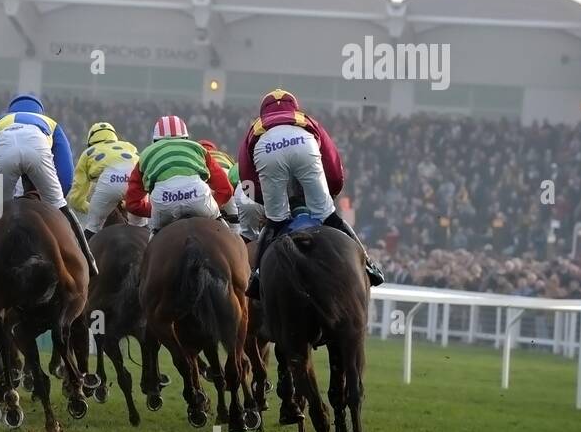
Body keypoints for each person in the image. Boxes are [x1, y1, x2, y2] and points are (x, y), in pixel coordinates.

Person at [239, 88, 385, 299]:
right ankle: (368, 265)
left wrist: (266, 203)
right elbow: (332, 161)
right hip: (303, 144)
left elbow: (246, 176)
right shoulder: (305, 119)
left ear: (263, 111)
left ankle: (258, 277)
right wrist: (330, 194)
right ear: (294, 106)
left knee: (274, 222)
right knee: (330, 216)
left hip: (267, 150)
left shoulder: (256, 126)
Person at [0, 93, 97, 277]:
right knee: (62, 206)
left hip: (4, 154)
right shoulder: (50, 122)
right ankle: (89, 262)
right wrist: (57, 199)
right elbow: (66, 172)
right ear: (39, 111)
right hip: (36, 150)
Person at [124, 116, 233, 235]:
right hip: (198, 196)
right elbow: (225, 189)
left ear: (155, 140)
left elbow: (132, 204)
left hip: (164, 201)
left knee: (153, 242)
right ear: (185, 137)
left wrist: (155, 210)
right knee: (228, 236)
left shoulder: (145, 154)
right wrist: (212, 204)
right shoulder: (198, 148)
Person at [67, 122, 140, 235]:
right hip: (134, 182)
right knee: (142, 226)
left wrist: (95, 209)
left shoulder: (87, 153)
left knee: (93, 226)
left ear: (90, 141)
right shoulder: (130, 147)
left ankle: (85, 252)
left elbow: (76, 200)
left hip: (109, 183)